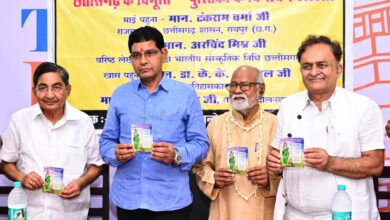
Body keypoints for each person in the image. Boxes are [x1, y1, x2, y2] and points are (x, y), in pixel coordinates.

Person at [266, 35, 384, 219]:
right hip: (294, 214)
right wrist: (273, 161)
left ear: (338, 69)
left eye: (322, 65)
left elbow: (375, 164)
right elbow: (275, 151)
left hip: (345, 214)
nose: (313, 72)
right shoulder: (288, 105)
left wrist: (330, 163)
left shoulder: (363, 107)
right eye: (307, 66)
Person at [99, 26, 209, 220]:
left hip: (170, 200)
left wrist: (176, 155)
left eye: (150, 53)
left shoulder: (185, 94)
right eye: (136, 55)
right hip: (128, 199)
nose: (143, 61)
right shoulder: (120, 94)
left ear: (163, 54)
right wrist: (115, 153)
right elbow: (106, 142)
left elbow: (200, 144)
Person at [0, 62, 104, 219]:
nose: (49, 95)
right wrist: (23, 177)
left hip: (69, 213)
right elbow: (6, 163)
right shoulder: (19, 120)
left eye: (56, 87)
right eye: (43, 88)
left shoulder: (83, 122)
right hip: (29, 213)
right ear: (34, 91)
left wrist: (80, 183)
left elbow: (96, 165)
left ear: (67, 90)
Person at [192, 65, 280, 220]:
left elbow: (292, 174)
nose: (237, 91)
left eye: (245, 85)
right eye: (233, 85)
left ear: (261, 89)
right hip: (224, 212)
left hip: (265, 212)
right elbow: (200, 167)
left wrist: (269, 180)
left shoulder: (278, 125)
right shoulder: (215, 125)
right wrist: (214, 179)